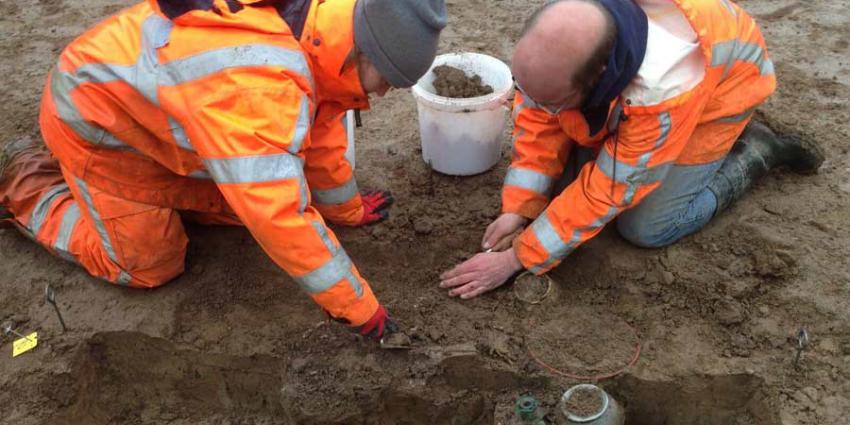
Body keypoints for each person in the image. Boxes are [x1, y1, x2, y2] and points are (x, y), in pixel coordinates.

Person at [0, 0, 447, 340]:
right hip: (101, 129)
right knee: (150, 265)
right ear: (361, 53)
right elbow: (278, 216)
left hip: (160, 123)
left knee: (246, 202)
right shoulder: (260, 83)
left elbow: (320, 133)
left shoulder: (320, 34)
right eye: (387, 80)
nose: (384, 94)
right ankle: (25, 183)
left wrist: (347, 209)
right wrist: (358, 308)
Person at [440, 0, 823, 299]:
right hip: (633, 96)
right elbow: (539, 116)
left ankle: (759, 150)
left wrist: (517, 258)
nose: (536, 106)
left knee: (645, 227)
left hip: (722, 90)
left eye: (552, 101)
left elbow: (611, 188)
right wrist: (518, 207)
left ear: (601, 77)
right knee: (561, 186)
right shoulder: (566, 27)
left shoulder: (664, 86)